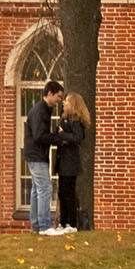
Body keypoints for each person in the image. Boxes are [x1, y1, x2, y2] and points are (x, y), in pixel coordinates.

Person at [22, 80, 63, 236]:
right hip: (37, 156)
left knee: (36, 190)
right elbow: (40, 136)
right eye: (58, 96)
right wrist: (58, 138)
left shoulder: (42, 109)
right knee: (45, 189)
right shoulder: (41, 111)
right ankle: (45, 226)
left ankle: (37, 225)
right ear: (50, 94)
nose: (59, 100)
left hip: (34, 155)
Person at [53, 92, 92, 235]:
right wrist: (62, 136)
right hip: (62, 162)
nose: (64, 103)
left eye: (67, 101)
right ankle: (63, 222)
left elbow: (77, 138)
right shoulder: (65, 119)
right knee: (62, 193)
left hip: (70, 163)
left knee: (68, 193)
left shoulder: (76, 121)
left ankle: (72, 223)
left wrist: (64, 135)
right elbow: (58, 134)